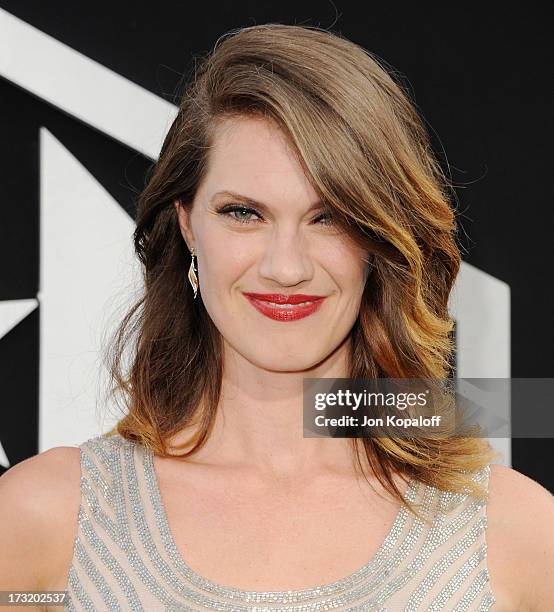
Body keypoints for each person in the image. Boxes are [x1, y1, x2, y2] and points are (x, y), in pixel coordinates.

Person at [1, 23, 553, 612]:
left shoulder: (513, 535)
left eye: (329, 217)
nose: (285, 267)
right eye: (244, 213)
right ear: (187, 222)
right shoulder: (47, 518)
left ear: (379, 241)